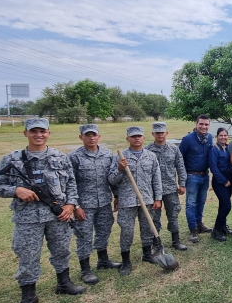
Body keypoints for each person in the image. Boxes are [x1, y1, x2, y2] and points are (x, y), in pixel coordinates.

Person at [0, 118, 84, 303]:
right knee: (28, 254)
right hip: (27, 217)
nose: (38, 135)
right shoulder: (12, 159)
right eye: (34, 131)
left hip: (57, 214)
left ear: (49, 133)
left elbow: (71, 184)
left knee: (62, 249)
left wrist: (70, 205)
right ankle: (28, 296)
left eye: (42, 131)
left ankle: (64, 283)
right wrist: (16, 190)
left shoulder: (60, 157)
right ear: (26, 133)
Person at [67, 124, 121, 286]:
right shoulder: (74, 157)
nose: (91, 138)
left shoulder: (107, 154)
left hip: (104, 201)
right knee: (84, 236)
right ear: (81, 137)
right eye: (87, 135)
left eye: (94, 135)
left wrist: (116, 195)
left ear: (99, 137)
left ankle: (103, 260)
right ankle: (85, 269)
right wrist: (75, 206)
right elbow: (70, 183)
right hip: (84, 204)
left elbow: (111, 177)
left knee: (104, 231)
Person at [108, 126, 163, 276]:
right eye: (133, 136)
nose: (137, 138)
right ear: (128, 139)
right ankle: (126, 261)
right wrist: (119, 168)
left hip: (146, 198)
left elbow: (156, 178)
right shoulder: (120, 157)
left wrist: (158, 198)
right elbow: (112, 180)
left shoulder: (151, 156)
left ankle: (147, 254)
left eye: (139, 136)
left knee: (147, 228)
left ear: (144, 138)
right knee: (127, 230)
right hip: (127, 201)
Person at [145, 122, 188, 251]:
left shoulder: (174, 149)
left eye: (162, 132)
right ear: (153, 134)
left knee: (173, 214)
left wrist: (182, 183)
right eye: (157, 133)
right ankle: (156, 243)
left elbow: (180, 166)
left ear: (166, 133)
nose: (160, 135)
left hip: (170, 188)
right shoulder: (147, 150)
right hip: (153, 191)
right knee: (154, 217)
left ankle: (176, 240)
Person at [178, 114, 213, 243]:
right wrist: (181, 180)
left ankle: (199, 224)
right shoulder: (187, 139)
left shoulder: (210, 138)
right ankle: (193, 229)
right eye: (201, 124)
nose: (204, 127)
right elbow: (179, 160)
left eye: (206, 124)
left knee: (201, 201)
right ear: (196, 124)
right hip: (192, 176)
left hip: (205, 175)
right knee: (191, 203)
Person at [209, 127, 232, 241]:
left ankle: (223, 227)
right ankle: (216, 230)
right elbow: (213, 168)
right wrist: (224, 181)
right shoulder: (214, 149)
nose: (223, 137)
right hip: (220, 180)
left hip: (230, 177)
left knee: (223, 205)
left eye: (225, 135)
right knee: (227, 206)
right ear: (217, 136)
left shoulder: (229, 147)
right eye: (221, 135)